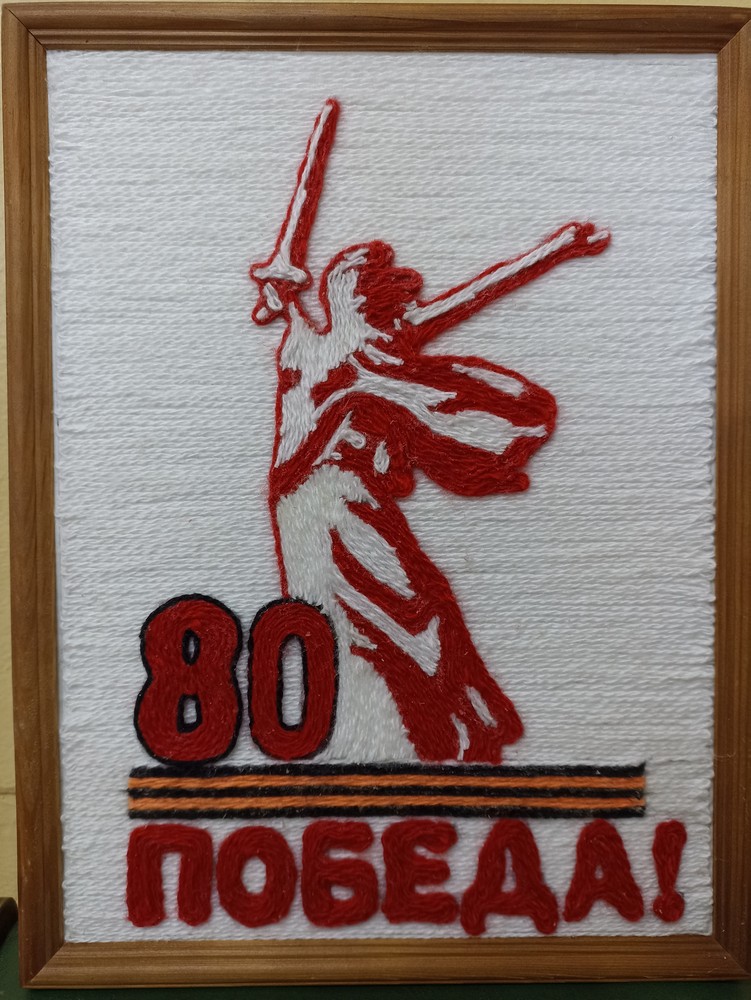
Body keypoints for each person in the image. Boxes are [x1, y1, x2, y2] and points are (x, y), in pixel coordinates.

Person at [251, 100, 610, 763]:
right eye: (394, 304)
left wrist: (555, 249)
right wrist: (281, 291)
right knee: (359, 620)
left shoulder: (387, 347)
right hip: (311, 505)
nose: (410, 317)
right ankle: (382, 745)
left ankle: (453, 736)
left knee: (421, 606)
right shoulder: (308, 348)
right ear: (359, 303)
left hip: (359, 501)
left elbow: (476, 293)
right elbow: (294, 298)